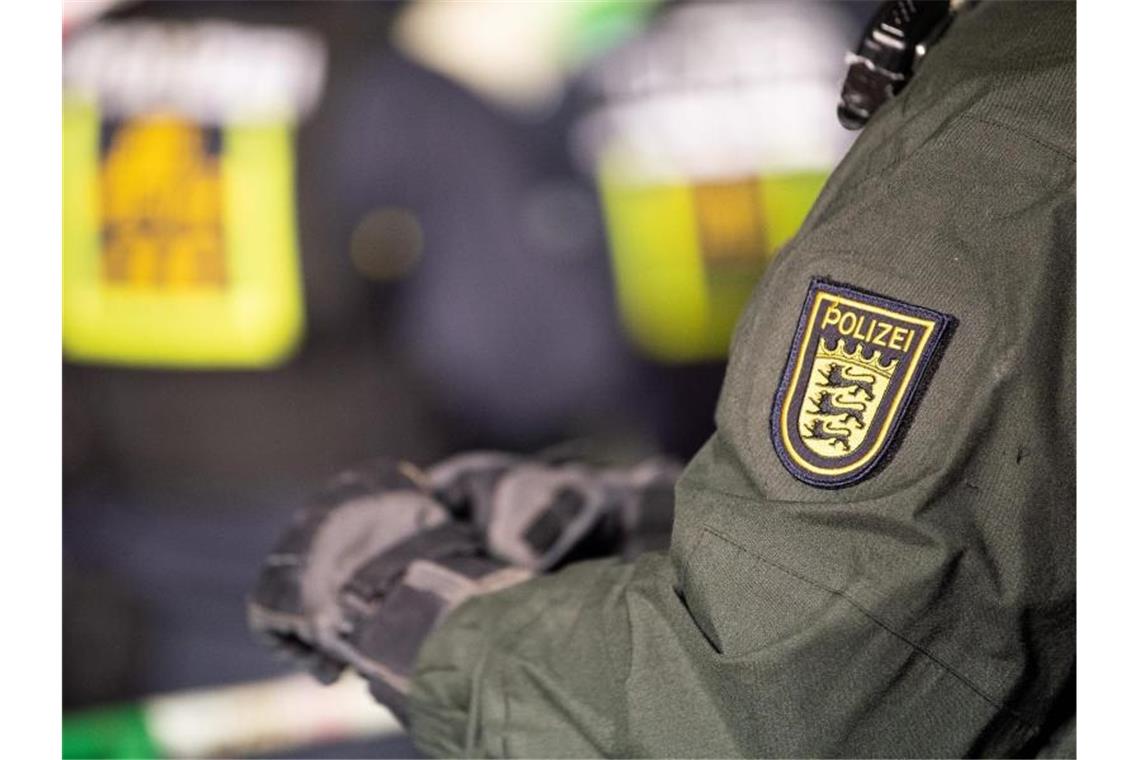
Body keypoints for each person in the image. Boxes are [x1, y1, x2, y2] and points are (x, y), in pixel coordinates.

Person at [250, 1, 1076, 756]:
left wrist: (398, 606)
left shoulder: (1003, 117)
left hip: (252, 540)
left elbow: (771, 710)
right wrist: (665, 516)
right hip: (801, 498)